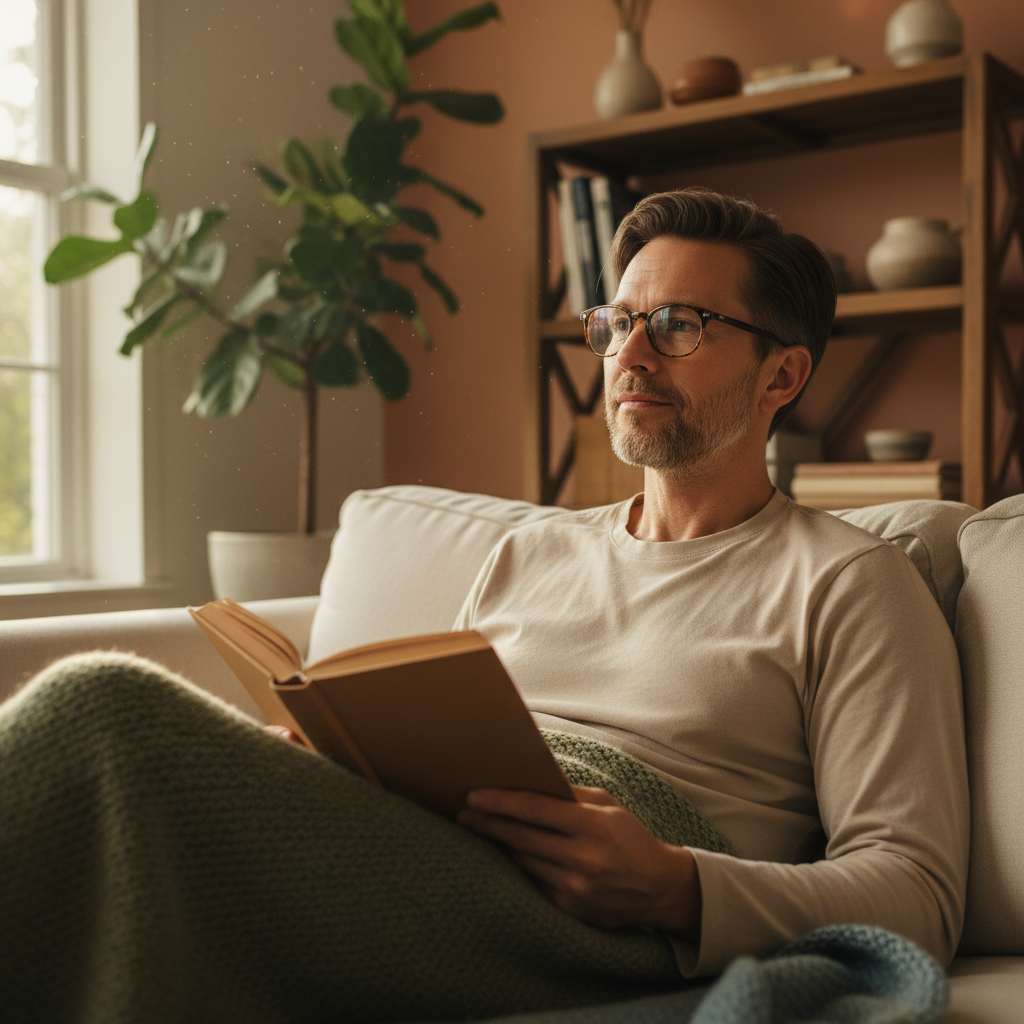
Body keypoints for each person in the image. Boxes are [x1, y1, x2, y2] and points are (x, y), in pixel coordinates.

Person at [0, 188, 968, 1023]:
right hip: (445, 857)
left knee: (106, 706)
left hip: (599, 917)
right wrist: (335, 763)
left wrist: (679, 885)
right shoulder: (531, 549)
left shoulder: (849, 580)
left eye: (678, 325)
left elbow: (917, 887)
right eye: (617, 321)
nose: (631, 354)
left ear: (781, 374)